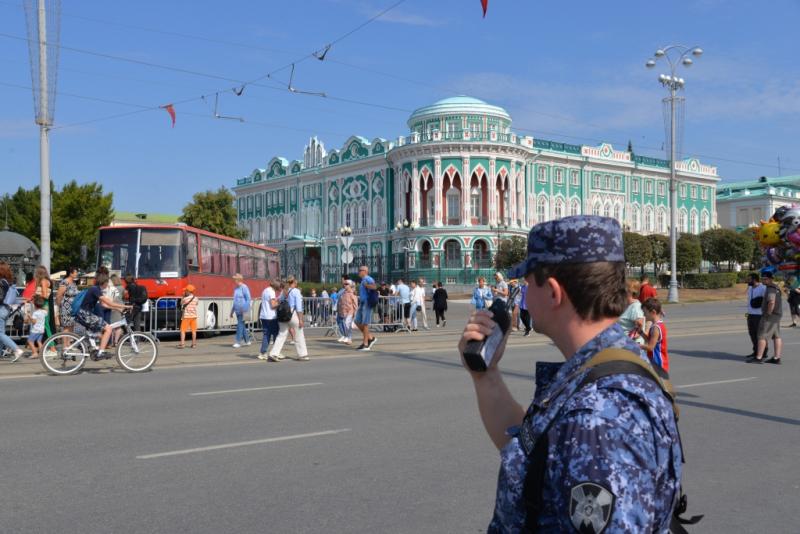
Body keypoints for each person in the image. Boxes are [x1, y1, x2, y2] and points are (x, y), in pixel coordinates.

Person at [458, 216, 683, 532]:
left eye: (527, 282)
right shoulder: (613, 363)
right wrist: (486, 375)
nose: (522, 292)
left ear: (552, 292)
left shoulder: (595, 418)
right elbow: (533, 457)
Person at [75, 272, 131, 359]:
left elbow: (104, 305)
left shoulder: (96, 289)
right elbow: (109, 302)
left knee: (98, 333)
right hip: (85, 315)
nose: (108, 284)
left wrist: (118, 309)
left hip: (84, 314)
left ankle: (88, 346)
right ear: (104, 282)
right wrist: (126, 306)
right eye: (107, 282)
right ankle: (101, 352)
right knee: (108, 328)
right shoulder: (95, 290)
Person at [268, 276, 308, 361]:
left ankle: (274, 353)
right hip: (292, 315)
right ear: (294, 283)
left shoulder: (283, 292)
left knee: (281, 335)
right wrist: (301, 319)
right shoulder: (296, 291)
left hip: (282, 316)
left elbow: (277, 301)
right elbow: (299, 307)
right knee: (299, 334)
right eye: (296, 283)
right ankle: (302, 355)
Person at [749, 267, 783, 364]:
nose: (763, 280)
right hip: (777, 315)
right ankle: (777, 358)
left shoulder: (771, 289)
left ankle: (759, 357)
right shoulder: (776, 287)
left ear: (770, 279)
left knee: (761, 336)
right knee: (776, 336)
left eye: (765, 279)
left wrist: (767, 314)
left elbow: (771, 302)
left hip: (770, 316)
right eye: (762, 278)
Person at [0, 261, 24, 362]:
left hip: (1, 309)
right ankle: (0, 353)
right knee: (1, 333)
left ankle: (16, 349)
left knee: (0, 333)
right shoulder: (7, 282)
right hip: (6, 309)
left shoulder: (1, 282)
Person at [640, 297, 669, 377]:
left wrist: (636, 345)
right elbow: (651, 341)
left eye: (645, 313)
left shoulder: (656, 328)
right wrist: (641, 332)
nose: (644, 315)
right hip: (656, 362)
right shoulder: (659, 324)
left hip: (658, 362)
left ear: (653, 312)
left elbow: (650, 347)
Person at [745, 272, 768, 360]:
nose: (747, 281)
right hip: (750, 314)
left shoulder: (763, 288)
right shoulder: (750, 288)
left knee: (760, 335)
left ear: (754, 280)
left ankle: (763, 352)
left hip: (759, 315)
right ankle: (756, 351)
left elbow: (767, 300)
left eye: (749, 279)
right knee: (752, 334)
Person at [354, 265, 377, 351]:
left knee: (365, 323)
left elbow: (374, 287)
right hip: (362, 303)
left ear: (365, 271)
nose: (358, 272)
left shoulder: (368, 278)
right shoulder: (363, 280)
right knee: (357, 321)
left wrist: (367, 285)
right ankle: (370, 338)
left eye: (360, 270)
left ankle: (366, 344)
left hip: (367, 303)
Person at [619, 279, 645, 345]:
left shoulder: (635, 307)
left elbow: (638, 332)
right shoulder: (625, 304)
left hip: (632, 345)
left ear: (630, 292)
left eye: (624, 290)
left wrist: (626, 340)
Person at [257, 280, 279, 359]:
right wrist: (280, 303)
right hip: (271, 316)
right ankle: (276, 352)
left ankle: (263, 352)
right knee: (276, 334)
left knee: (266, 334)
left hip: (263, 315)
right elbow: (273, 305)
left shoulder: (265, 290)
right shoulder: (272, 292)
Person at [34, 265, 56, 338]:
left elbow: (45, 295)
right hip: (46, 305)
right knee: (45, 325)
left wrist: (36, 295)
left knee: (45, 325)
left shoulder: (43, 281)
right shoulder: (48, 281)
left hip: (44, 305)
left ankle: (52, 347)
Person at [55, 266, 79, 334]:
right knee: (66, 326)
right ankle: (65, 344)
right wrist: (59, 306)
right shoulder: (64, 282)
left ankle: (69, 343)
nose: (76, 274)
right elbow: (59, 295)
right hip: (66, 307)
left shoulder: (73, 283)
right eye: (75, 272)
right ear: (70, 273)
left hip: (73, 308)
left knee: (71, 325)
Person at [230, 273, 251, 349]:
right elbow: (235, 301)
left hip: (244, 310)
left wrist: (244, 308)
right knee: (242, 325)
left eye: (235, 279)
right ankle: (247, 341)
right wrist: (232, 311)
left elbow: (248, 299)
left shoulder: (244, 287)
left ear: (238, 280)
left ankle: (238, 341)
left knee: (240, 325)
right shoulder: (236, 288)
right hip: (237, 310)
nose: (234, 281)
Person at [178, 284, 199, 349]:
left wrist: (183, 297)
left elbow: (181, 303)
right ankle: (194, 344)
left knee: (183, 330)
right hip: (194, 316)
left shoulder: (185, 299)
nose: (185, 292)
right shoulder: (196, 298)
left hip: (186, 317)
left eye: (186, 291)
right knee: (194, 331)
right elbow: (197, 304)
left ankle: (182, 344)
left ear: (188, 291)